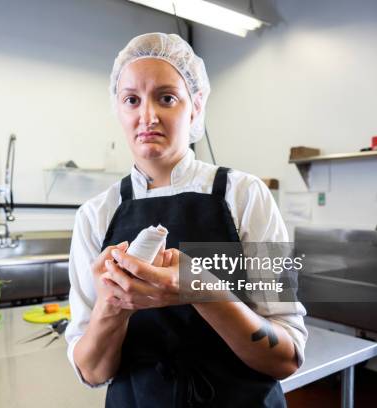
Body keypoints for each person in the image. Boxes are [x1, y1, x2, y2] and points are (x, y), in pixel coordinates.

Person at [65, 32, 307, 408]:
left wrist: (200, 288)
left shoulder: (246, 195)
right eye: (132, 99)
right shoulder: (94, 216)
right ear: (118, 108)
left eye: (166, 97)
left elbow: (286, 356)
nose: (147, 116)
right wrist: (112, 308)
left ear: (194, 106)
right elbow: (93, 372)